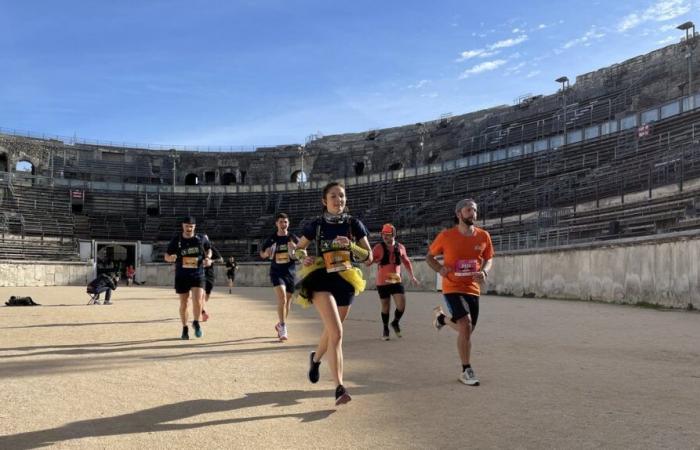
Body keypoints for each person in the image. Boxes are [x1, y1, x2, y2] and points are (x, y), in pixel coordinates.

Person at [294, 181, 372, 405]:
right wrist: (303, 257)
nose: (339, 200)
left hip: (346, 279)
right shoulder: (316, 225)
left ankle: (316, 359)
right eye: (334, 196)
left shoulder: (354, 224)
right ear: (324, 201)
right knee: (337, 332)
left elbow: (369, 257)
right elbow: (297, 249)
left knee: (331, 331)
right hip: (321, 278)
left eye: (342, 196)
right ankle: (339, 387)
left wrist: (351, 245)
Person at [426, 198, 494, 386]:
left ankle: (442, 319)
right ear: (459, 214)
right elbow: (429, 257)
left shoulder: (483, 236)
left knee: (468, 330)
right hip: (452, 286)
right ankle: (466, 370)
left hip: (472, 288)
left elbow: (489, 258)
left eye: (475, 210)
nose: (473, 213)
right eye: (468, 210)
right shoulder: (446, 236)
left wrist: (485, 271)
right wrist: (439, 269)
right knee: (465, 325)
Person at [164, 216, 213, 340]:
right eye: (186, 226)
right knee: (184, 303)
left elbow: (209, 250)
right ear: (182, 226)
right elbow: (166, 255)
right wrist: (170, 258)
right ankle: (185, 327)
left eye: (191, 226)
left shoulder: (201, 238)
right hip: (182, 275)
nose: (189, 228)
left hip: (198, 274)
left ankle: (196, 322)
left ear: (194, 227)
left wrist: (208, 258)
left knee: (197, 300)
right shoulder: (177, 240)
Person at [370, 223, 419, 340]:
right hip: (382, 282)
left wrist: (412, 276)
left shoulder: (400, 247)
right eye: (383, 235)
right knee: (385, 306)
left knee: (401, 305)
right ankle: (385, 328)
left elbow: (406, 262)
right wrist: (369, 260)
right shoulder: (378, 248)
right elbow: (370, 260)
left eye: (388, 235)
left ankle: (395, 322)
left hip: (395, 280)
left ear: (394, 235)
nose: (385, 237)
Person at [259, 213, 299, 341]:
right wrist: (266, 253)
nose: (283, 224)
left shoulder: (293, 238)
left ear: (288, 223)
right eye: (281, 222)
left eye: (285, 222)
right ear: (276, 223)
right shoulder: (271, 239)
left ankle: (279, 324)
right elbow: (262, 254)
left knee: (287, 302)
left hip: (290, 273)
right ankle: (283, 326)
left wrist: (295, 250)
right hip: (276, 272)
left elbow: (302, 253)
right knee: (282, 298)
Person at [201, 237, 224, 322]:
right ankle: (203, 311)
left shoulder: (212, 249)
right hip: (199, 273)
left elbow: (221, 260)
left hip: (209, 274)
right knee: (201, 294)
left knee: (207, 292)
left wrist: (211, 261)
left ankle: (201, 306)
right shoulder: (197, 247)